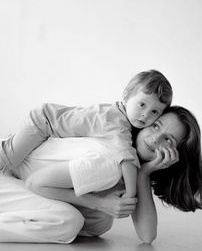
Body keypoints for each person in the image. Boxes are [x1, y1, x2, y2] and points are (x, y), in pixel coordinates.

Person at [0, 106, 202, 244]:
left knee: (101, 221)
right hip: (7, 175)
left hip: (22, 182)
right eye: (155, 126)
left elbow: (147, 236)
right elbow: (36, 182)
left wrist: (144, 174)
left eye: (168, 140)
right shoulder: (111, 160)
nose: (156, 138)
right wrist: (98, 203)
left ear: (175, 156)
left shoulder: (128, 163)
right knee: (69, 221)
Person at [0, 70, 173, 199]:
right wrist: (131, 191)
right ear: (127, 96)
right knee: (8, 158)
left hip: (47, 122)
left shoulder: (119, 116)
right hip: (43, 121)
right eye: (142, 105)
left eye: (155, 112)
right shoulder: (117, 123)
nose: (145, 115)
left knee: (10, 157)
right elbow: (126, 156)